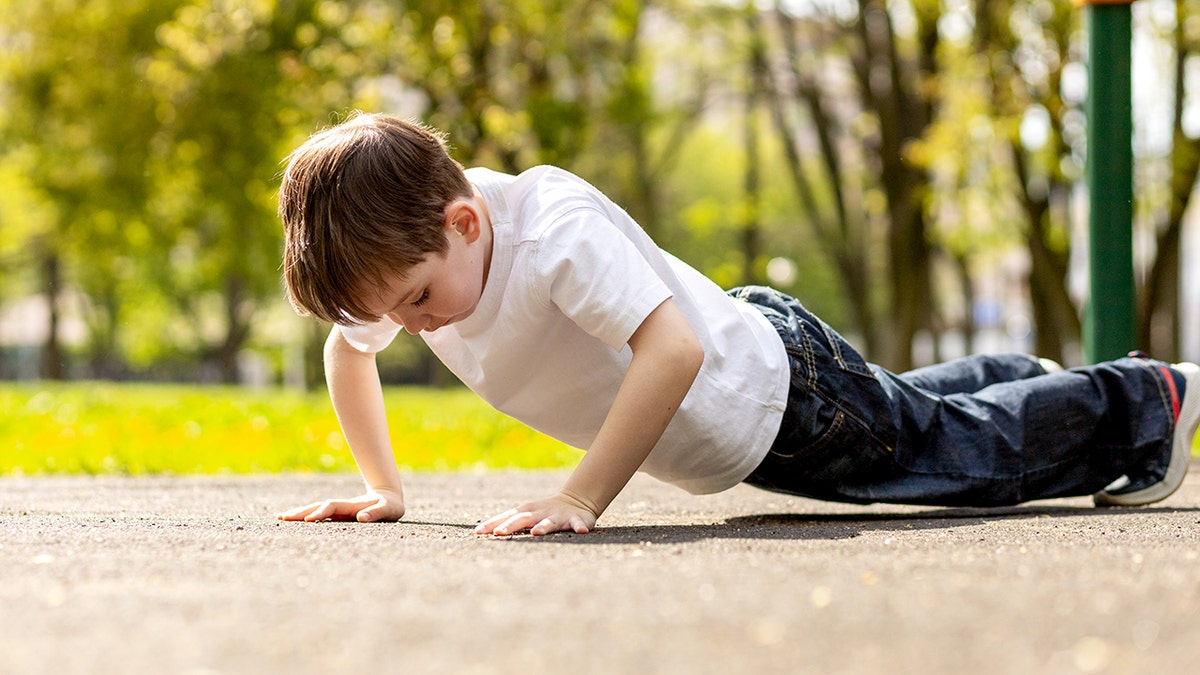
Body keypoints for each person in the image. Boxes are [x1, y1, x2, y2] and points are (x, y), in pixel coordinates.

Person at [275, 112, 1200, 536]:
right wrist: (383, 486)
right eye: (391, 311)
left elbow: (670, 349)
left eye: (416, 303)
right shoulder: (421, 259)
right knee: (911, 416)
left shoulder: (551, 235)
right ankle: (1017, 371)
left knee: (959, 462)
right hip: (758, 369)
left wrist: (579, 498)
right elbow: (346, 348)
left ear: (463, 221)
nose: (406, 326)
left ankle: (1145, 400)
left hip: (775, 398)